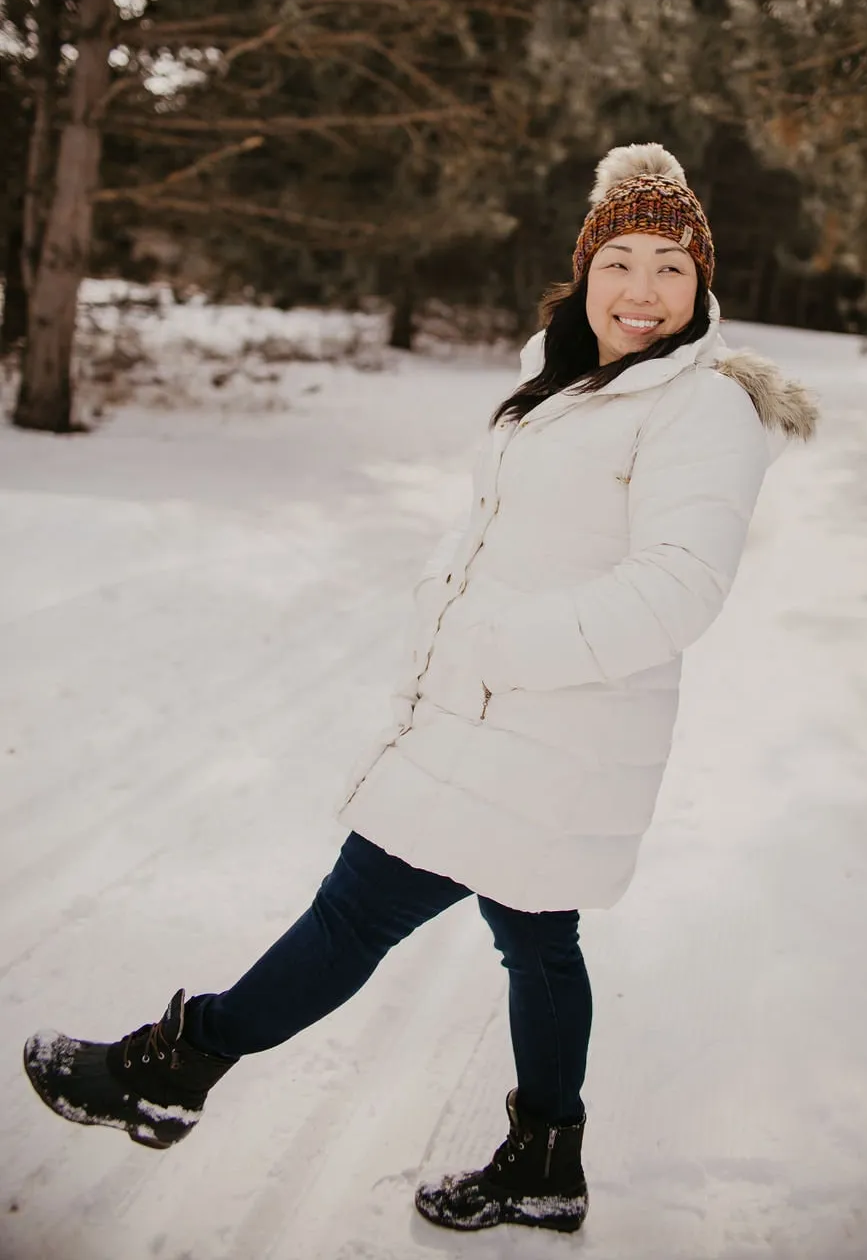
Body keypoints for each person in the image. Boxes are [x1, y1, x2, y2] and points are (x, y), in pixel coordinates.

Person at [23, 143, 817, 1234]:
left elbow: (677, 589)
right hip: (513, 723)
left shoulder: (698, 409)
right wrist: (447, 602)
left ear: (703, 282)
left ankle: (174, 1067)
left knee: (354, 915)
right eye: (621, 260)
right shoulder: (573, 378)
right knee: (537, 937)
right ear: (585, 271)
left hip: (536, 731)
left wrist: (495, 643)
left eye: (671, 266)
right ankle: (543, 1159)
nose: (643, 290)